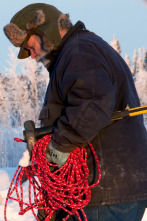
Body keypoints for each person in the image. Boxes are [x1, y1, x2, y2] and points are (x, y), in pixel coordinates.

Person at [4, 3, 147, 221]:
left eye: (28, 45)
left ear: (44, 29)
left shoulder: (80, 51)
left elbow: (92, 103)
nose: (30, 54)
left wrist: (57, 148)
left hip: (103, 192)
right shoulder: (79, 50)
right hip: (108, 191)